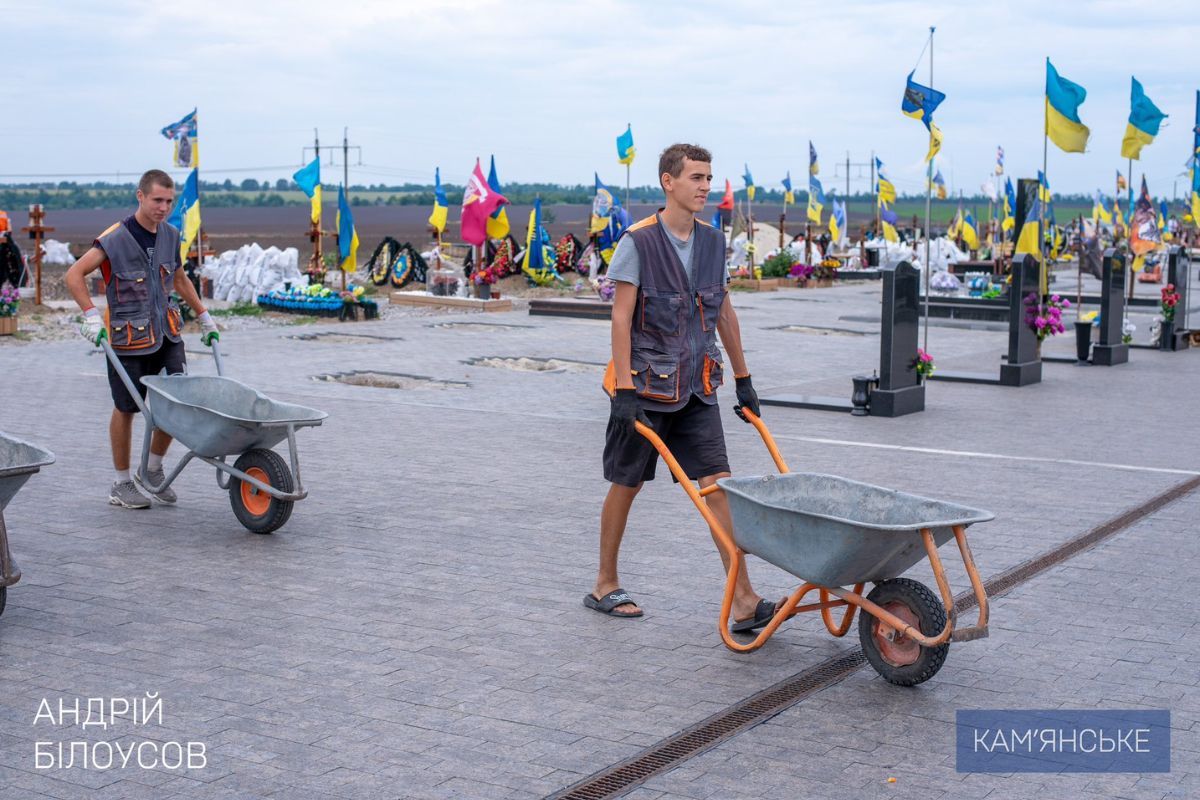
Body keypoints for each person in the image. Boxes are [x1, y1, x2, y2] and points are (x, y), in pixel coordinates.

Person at [586, 143, 780, 632]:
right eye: (695, 177)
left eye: (708, 178)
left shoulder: (714, 243)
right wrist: (625, 391)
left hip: (697, 388)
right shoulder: (639, 242)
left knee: (717, 487)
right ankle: (605, 583)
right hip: (645, 390)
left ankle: (742, 598)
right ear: (668, 182)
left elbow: (724, 314)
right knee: (626, 484)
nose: (704, 186)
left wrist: (744, 379)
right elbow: (621, 316)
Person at [64, 169, 220, 509]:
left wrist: (204, 316)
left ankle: (150, 471)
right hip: (127, 339)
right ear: (140, 196)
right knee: (127, 408)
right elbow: (73, 274)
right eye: (157, 200)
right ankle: (121, 483)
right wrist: (91, 315)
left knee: (176, 403)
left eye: (169, 201)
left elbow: (178, 279)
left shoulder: (170, 234)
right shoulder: (114, 238)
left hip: (167, 334)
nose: (163, 207)